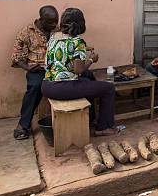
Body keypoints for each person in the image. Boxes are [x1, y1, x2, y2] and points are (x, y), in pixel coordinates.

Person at [41, 8, 118, 136]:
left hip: (46, 86)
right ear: (81, 23)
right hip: (61, 88)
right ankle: (103, 127)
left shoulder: (54, 37)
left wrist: (84, 49)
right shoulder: (77, 41)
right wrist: (91, 60)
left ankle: (90, 119)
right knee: (108, 88)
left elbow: (65, 51)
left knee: (87, 82)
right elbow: (79, 70)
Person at [10, 6, 59, 140]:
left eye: (56, 21)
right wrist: (28, 68)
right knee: (35, 87)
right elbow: (16, 57)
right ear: (41, 19)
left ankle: (87, 121)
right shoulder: (26, 32)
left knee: (81, 78)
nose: (54, 25)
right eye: (51, 22)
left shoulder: (57, 30)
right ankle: (23, 125)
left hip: (57, 68)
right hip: (37, 70)